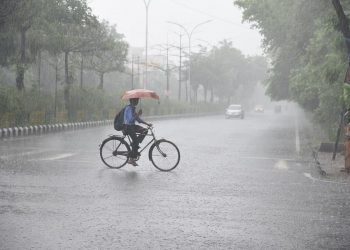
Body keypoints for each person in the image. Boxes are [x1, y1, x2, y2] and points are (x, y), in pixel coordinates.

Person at [123, 98, 152, 166]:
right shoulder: (129, 108)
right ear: (132, 101)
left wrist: (147, 124)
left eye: (138, 100)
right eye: (136, 100)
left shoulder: (133, 108)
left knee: (145, 130)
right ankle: (131, 159)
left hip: (132, 126)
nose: (137, 102)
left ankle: (135, 144)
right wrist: (138, 114)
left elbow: (138, 120)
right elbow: (130, 120)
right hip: (128, 127)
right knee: (136, 142)